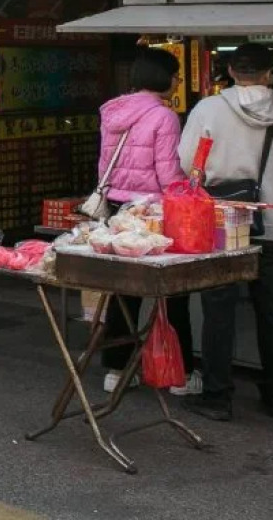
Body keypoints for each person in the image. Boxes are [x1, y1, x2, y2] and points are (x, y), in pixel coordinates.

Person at [178, 42, 273, 421]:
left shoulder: (209, 109)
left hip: (224, 222)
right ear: (270, 74)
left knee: (218, 308)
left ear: (231, 70)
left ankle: (217, 396)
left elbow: (186, 163)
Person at [96, 49, 198, 395]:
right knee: (172, 291)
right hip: (152, 213)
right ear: (165, 79)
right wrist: (189, 192)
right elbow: (168, 173)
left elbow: (104, 164)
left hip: (117, 208)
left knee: (124, 289)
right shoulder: (163, 117)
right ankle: (177, 374)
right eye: (176, 76)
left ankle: (115, 369)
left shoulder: (113, 112)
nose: (176, 83)